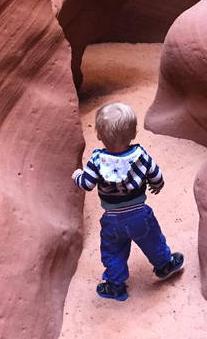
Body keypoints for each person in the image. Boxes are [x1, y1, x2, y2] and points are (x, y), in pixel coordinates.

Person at [72, 101, 184, 301]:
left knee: (113, 250)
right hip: (140, 214)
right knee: (152, 240)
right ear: (133, 134)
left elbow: (87, 184)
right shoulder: (140, 155)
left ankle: (115, 285)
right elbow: (156, 175)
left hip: (112, 219)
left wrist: (77, 176)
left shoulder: (97, 161)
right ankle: (164, 264)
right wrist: (156, 186)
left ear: (98, 135)